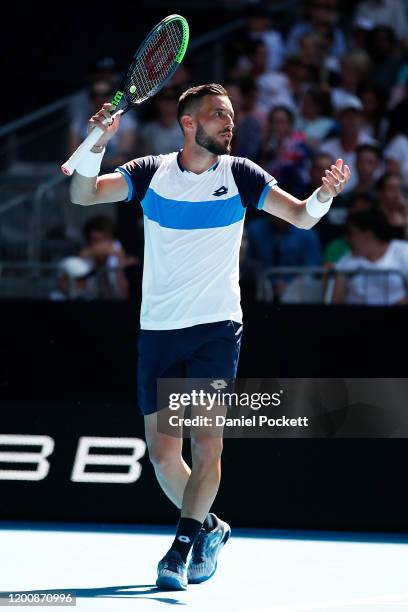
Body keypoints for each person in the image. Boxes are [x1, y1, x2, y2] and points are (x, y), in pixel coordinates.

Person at [69, 83, 350, 590]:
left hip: (216, 329)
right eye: (218, 115)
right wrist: (95, 143)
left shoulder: (240, 175)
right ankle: (210, 527)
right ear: (189, 124)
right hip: (158, 329)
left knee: (206, 446)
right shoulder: (151, 173)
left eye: (232, 116)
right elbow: (83, 192)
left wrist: (323, 198)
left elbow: (303, 217)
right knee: (160, 455)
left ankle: (181, 548)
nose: (229, 123)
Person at [332, 208, 408, 304]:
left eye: (351, 233)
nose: (348, 238)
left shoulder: (404, 251)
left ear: (368, 235)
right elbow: (335, 302)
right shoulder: (344, 262)